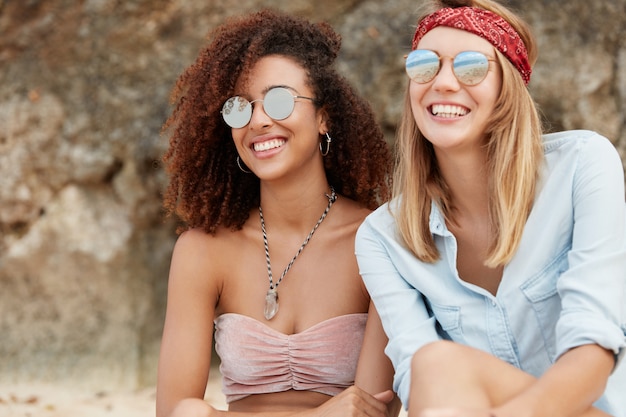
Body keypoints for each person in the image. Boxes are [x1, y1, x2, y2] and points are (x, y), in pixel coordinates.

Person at [355, 0, 626, 416]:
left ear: (507, 85)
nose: (443, 83)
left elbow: (594, 349)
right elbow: (415, 380)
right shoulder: (383, 237)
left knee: (438, 363)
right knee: (431, 363)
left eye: (471, 67)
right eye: (425, 65)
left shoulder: (583, 165)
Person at [156, 9, 400, 417]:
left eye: (280, 100)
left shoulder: (378, 238)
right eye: (240, 108)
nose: (260, 120)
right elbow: (173, 410)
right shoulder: (202, 250)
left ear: (324, 117)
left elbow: (374, 410)